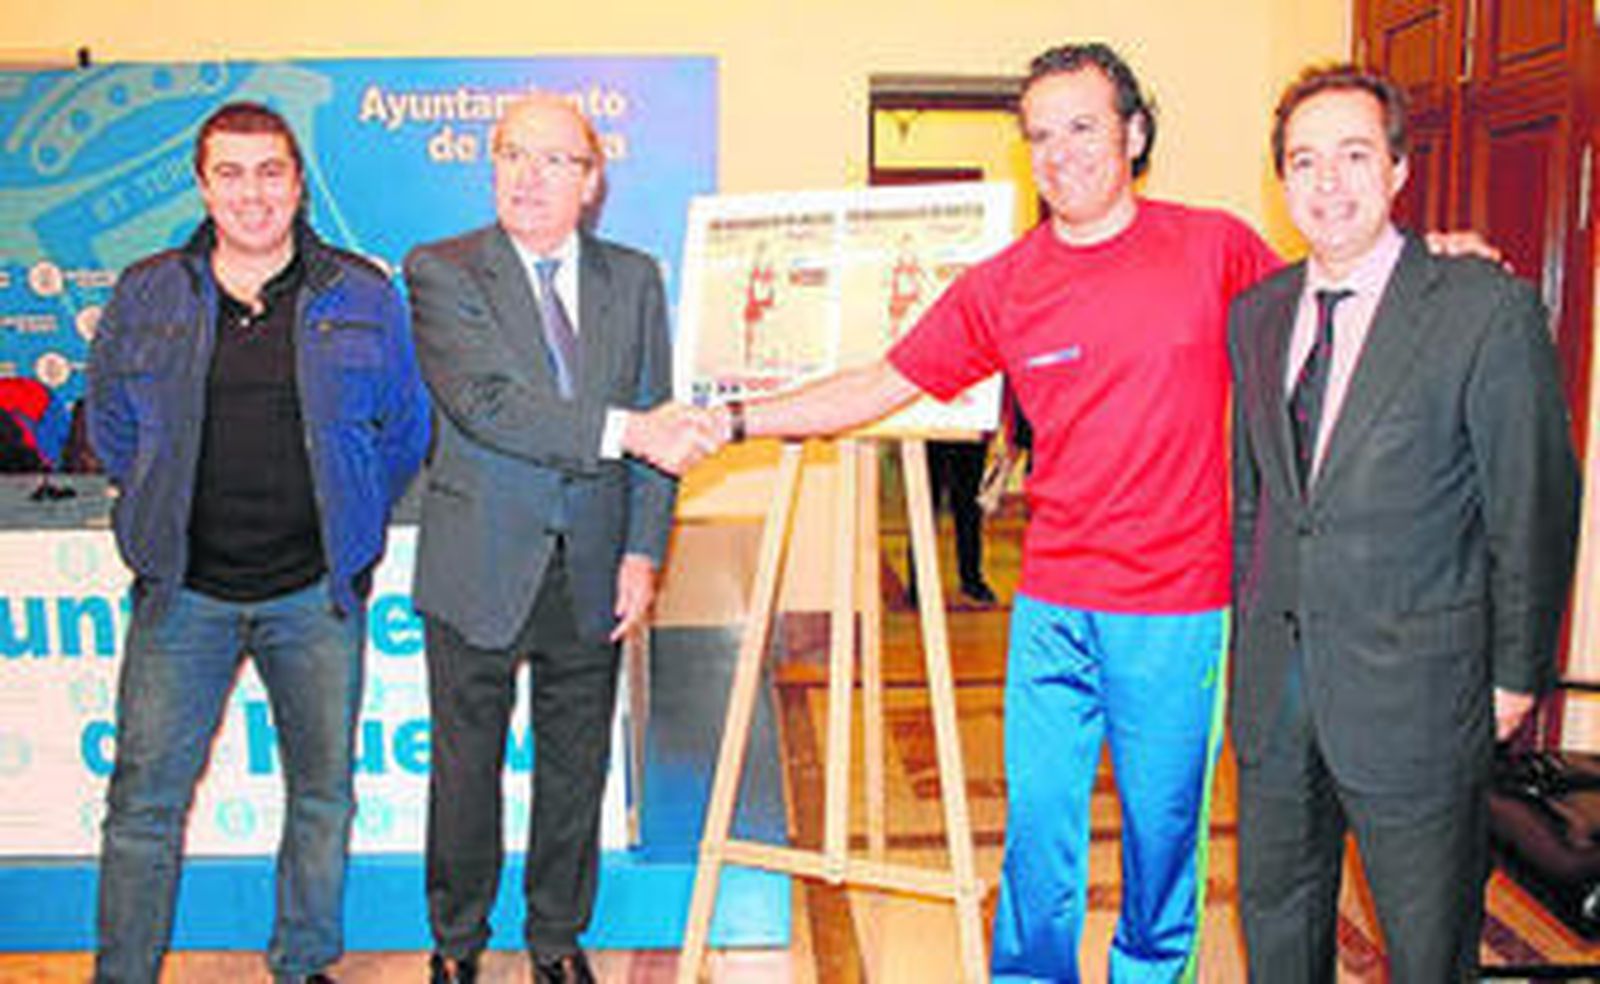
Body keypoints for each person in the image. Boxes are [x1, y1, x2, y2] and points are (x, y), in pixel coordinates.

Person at [634, 42, 1281, 981]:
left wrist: (1423, 266)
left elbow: (1322, 317)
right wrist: (728, 419)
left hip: (1179, 610)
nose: (1061, 154)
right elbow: (875, 384)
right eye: (1041, 136)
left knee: (1163, 834)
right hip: (1055, 604)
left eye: (1084, 128)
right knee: (1039, 838)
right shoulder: (1006, 283)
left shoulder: (1214, 248)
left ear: (1134, 133)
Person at [1227, 64, 1580, 982]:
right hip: (1278, 689)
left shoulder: (1480, 308)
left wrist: (1514, 676)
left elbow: (1535, 499)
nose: (1328, 183)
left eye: (1353, 155)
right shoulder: (1257, 317)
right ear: (1282, 179)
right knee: (1277, 925)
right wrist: (1246, 648)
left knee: (1427, 948)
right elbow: (1258, 502)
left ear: (1396, 170)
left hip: (1422, 692)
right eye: (1304, 161)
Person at [86, 101, 430, 984]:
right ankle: (123, 974)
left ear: (298, 183)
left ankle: (304, 962)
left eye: (270, 171)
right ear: (202, 185)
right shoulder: (146, 292)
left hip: (314, 595)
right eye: (231, 173)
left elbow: (402, 431)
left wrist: (347, 526)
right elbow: (118, 430)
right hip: (182, 595)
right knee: (142, 808)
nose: (252, 192)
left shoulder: (359, 293)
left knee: (321, 799)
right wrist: (155, 511)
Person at [405, 94, 705, 984]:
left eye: (553, 160)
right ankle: (456, 946)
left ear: (592, 181)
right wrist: (630, 431)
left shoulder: (635, 277)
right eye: (511, 155)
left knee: (575, 772)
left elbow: (658, 418)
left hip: (594, 568)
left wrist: (644, 551)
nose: (528, 176)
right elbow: (493, 405)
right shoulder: (441, 270)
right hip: (479, 565)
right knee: (466, 773)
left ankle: (555, 940)